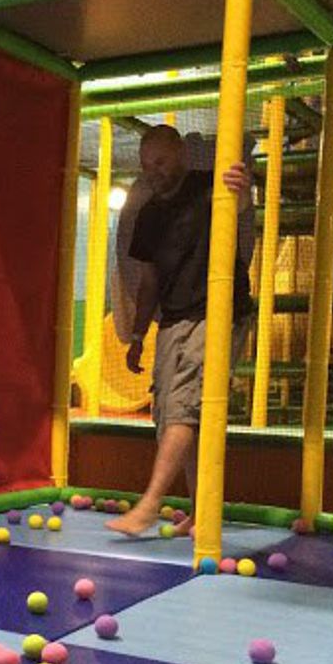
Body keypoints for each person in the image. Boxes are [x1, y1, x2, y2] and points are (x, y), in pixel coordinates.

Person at [107, 124, 253, 537]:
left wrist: (240, 188)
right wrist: (138, 336)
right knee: (169, 412)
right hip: (174, 317)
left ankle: (150, 503)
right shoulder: (149, 213)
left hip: (219, 311)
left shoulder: (207, 187)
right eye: (146, 165)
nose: (154, 171)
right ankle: (201, 510)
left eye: (161, 162)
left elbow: (239, 203)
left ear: (181, 156)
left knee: (186, 405)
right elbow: (149, 280)